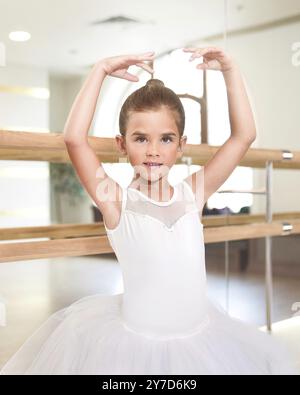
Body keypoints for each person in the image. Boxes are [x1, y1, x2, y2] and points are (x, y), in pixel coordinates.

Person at [1, 48, 298, 375]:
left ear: (181, 145)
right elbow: (74, 139)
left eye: (166, 139)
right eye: (140, 138)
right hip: (135, 350)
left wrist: (230, 68)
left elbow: (244, 136)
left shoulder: (192, 193)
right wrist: (100, 69)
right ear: (121, 143)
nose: (153, 150)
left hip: (202, 341)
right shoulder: (115, 201)